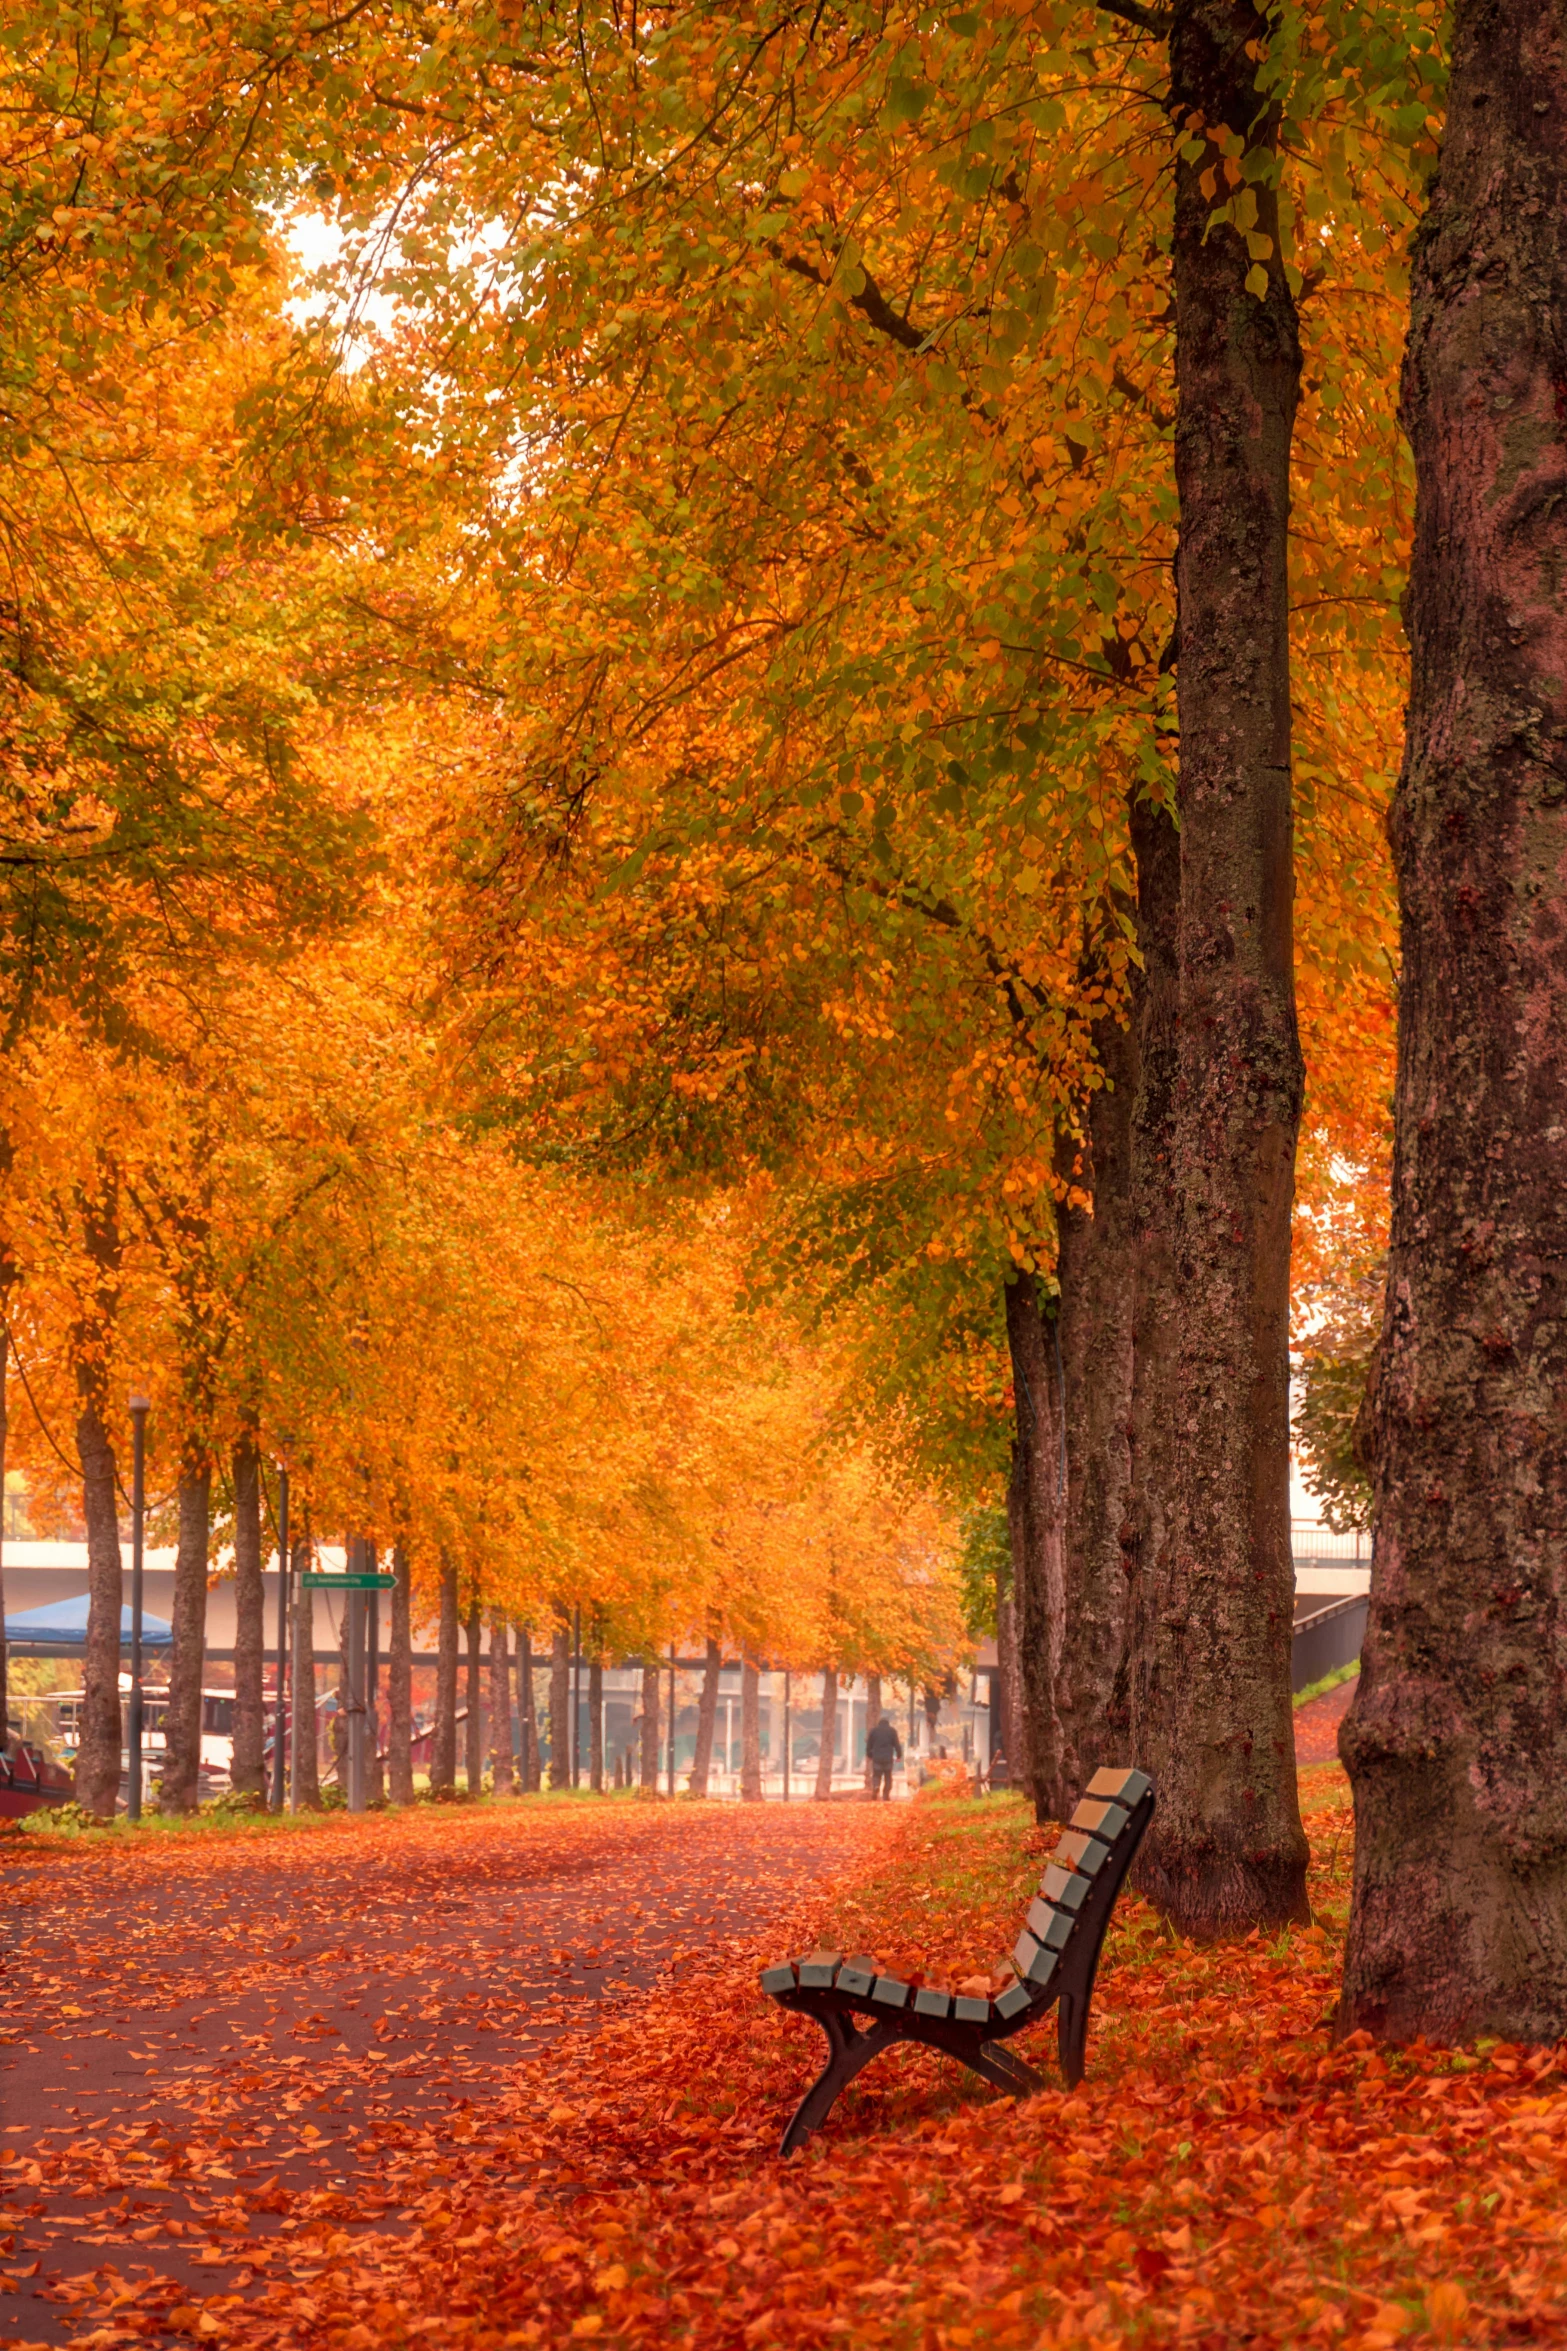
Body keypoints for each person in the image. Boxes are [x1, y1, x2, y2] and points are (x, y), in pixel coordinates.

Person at [865, 1710, 902, 1800]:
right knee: (888, 1776)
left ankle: (876, 1786)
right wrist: (899, 1755)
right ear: (888, 1723)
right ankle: (886, 1794)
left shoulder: (874, 1731)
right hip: (888, 1758)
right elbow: (897, 1744)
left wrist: (869, 1755)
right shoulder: (892, 1731)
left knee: (876, 1775)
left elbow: (869, 1744)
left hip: (877, 1757)